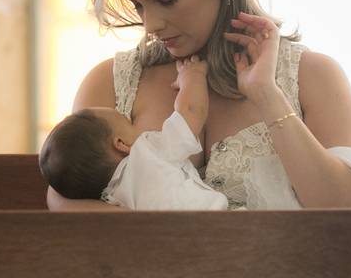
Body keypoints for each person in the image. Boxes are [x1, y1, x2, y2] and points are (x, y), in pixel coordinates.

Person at [47, 0, 351, 211]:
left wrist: (267, 95)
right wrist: (191, 246)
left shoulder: (314, 77)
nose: (150, 25)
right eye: (138, 5)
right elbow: (62, 200)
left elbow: (344, 211)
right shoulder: (108, 84)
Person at [40, 54, 230, 209]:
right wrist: (192, 77)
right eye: (128, 123)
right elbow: (190, 112)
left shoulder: (112, 199)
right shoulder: (146, 153)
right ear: (121, 144)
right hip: (217, 222)